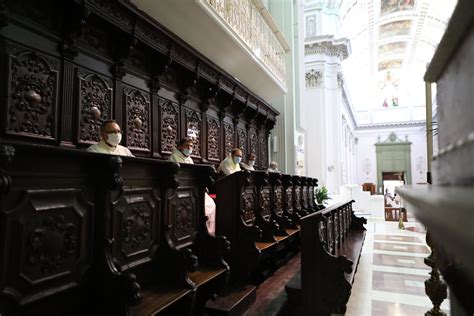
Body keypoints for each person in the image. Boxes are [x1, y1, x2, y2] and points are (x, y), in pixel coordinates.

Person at [169, 138, 216, 236]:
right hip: (181, 190)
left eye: (191, 146)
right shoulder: (174, 157)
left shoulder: (189, 159)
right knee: (204, 207)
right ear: (180, 146)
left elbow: (194, 176)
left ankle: (210, 231)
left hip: (193, 188)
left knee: (212, 202)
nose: (189, 148)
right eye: (187, 146)